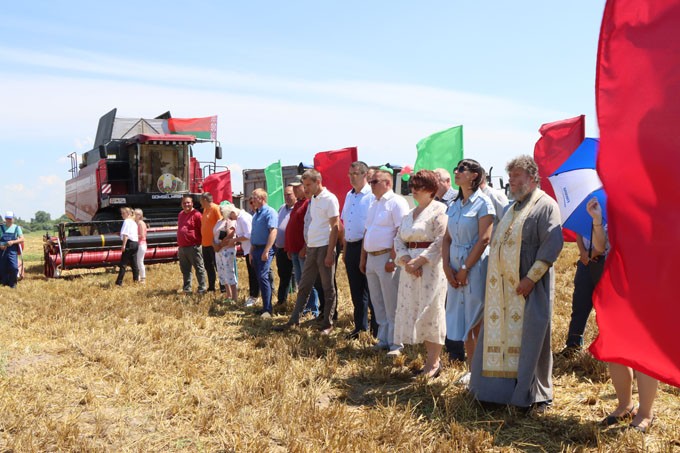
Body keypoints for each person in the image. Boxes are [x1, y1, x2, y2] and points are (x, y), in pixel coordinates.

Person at [469, 155, 563, 411]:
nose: (511, 181)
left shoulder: (546, 205)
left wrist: (531, 278)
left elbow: (553, 245)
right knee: (498, 341)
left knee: (531, 338)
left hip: (530, 287)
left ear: (532, 178)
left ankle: (531, 395)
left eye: (516, 176)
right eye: (510, 176)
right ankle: (494, 394)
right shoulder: (513, 207)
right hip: (502, 291)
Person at [588, 197, 657, 433]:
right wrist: (598, 220)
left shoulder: (653, 208)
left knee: (643, 352)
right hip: (615, 287)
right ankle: (624, 405)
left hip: (645, 289)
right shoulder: (613, 209)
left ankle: (646, 413)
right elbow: (599, 248)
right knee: (615, 350)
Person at [442, 160, 495, 385]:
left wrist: (465, 269)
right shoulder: (454, 204)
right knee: (463, 319)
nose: (457, 172)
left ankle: (480, 371)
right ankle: (472, 369)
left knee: (476, 318)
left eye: (462, 169)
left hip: (474, 267)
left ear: (474, 175)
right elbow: (446, 237)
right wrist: (446, 266)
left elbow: (484, 239)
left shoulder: (483, 203)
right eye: (456, 168)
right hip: (454, 267)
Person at [393, 170, 448, 377]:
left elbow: (441, 239)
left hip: (431, 268)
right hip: (409, 269)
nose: (413, 190)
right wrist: (406, 260)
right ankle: (429, 359)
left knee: (431, 310)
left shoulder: (439, 210)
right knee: (415, 310)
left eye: (419, 187)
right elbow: (398, 239)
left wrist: (420, 260)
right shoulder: (409, 214)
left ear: (431, 190)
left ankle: (434, 363)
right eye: (412, 187)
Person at [273, 169, 340, 334]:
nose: (306, 188)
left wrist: (330, 252)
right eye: (305, 185)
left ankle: (328, 323)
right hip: (312, 247)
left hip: (325, 247)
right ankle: (294, 320)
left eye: (308, 185)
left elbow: (335, 227)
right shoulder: (314, 200)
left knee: (327, 287)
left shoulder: (330, 199)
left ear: (318, 182)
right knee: (304, 285)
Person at [361, 168, 409, 355]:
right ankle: (383, 339)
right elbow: (368, 230)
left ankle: (397, 343)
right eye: (371, 181)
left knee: (392, 302)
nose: (371, 185)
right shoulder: (374, 203)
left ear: (387, 183)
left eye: (375, 182)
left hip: (386, 257)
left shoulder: (397, 202)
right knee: (378, 301)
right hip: (373, 257)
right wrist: (364, 257)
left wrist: (392, 257)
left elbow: (400, 232)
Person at [558, 217, 608, 357]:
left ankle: (607, 349)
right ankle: (573, 345)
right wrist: (583, 253)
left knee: (605, 309)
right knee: (580, 303)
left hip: (604, 262)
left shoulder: (609, 210)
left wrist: (590, 254)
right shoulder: (585, 211)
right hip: (585, 263)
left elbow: (604, 243)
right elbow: (579, 233)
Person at [433, 167, 466, 363]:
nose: (433, 183)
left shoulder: (455, 200)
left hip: (458, 259)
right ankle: (447, 344)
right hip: (441, 259)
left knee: (455, 306)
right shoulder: (435, 202)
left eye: (436, 179)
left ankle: (457, 349)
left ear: (446, 181)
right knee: (444, 305)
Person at [342, 161, 375, 339]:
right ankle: (360, 328)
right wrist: (345, 251)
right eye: (350, 173)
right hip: (352, 245)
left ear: (364, 175)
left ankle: (376, 329)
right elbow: (346, 223)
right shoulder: (349, 195)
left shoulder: (371, 196)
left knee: (371, 291)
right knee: (356, 290)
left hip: (367, 246)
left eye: (355, 173)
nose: (351, 177)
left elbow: (369, 226)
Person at [285, 177, 320, 317]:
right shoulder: (298, 204)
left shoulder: (308, 204)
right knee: (300, 281)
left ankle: (312, 308)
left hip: (303, 250)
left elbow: (309, 228)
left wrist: (305, 247)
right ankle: (306, 307)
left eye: (296, 187)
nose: (294, 190)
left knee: (307, 281)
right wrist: (289, 247)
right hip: (295, 250)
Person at [248, 189, 278, 317]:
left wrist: (266, 250)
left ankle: (267, 309)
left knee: (263, 277)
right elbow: (254, 233)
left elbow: (273, 232)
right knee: (260, 277)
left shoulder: (270, 212)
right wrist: (251, 250)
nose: (252, 199)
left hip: (265, 249)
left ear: (262, 198)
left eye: (254, 197)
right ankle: (265, 307)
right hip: (256, 249)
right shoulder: (256, 214)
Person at [222, 204, 254, 303]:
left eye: (230, 217)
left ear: (233, 212)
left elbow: (248, 235)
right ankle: (253, 295)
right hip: (248, 249)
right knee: (251, 274)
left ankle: (254, 296)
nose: (231, 219)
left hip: (251, 249)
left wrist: (235, 240)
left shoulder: (243, 218)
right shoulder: (240, 218)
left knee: (253, 274)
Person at [177, 195, 207, 294]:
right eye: (184, 203)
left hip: (193, 246)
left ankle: (202, 288)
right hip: (182, 247)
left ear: (192, 203)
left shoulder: (197, 215)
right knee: (185, 270)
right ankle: (187, 288)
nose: (186, 204)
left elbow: (202, 229)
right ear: (182, 204)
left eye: (188, 202)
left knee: (199, 268)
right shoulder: (181, 214)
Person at [275, 185, 296, 306]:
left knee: (296, 276)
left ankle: (297, 302)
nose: (287, 197)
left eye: (289, 194)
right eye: (285, 195)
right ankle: (282, 301)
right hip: (280, 248)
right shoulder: (282, 208)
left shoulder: (297, 208)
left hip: (292, 248)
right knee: (283, 275)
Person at [199, 192, 224, 292]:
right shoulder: (205, 209)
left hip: (214, 244)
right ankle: (211, 287)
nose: (200, 202)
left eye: (201, 200)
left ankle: (223, 287)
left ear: (204, 200)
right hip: (205, 243)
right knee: (208, 266)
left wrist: (219, 241)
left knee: (218, 266)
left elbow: (222, 224)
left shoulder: (215, 208)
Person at [214, 203, 238, 301]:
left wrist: (220, 245)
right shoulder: (219, 221)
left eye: (222, 209)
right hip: (218, 250)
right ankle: (228, 294)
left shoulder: (230, 222)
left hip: (227, 249)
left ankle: (234, 296)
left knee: (229, 271)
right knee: (221, 271)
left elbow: (230, 235)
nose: (220, 211)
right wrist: (214, 244)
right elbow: (214, 234)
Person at [115, 207, 139, 286]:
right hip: (135, 243)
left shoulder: (126, 221)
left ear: (128, 214)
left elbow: (126, 234)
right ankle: (136, 280)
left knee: (123, 263)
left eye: (123, 213)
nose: (122, 215)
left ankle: (119, 281)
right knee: (134, 263)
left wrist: (124, 245)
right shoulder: (133, 222)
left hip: (129, 243)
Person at [0, 211, 24, 288]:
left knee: (14, 267)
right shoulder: (1, 228)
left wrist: (13, 241)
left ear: (13, 219)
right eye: (7, 218)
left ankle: (13, 283)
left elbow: (22, 239)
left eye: (10, 218)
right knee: (2, 267)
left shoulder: (17, 228)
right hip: (2, 250)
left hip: (12, 250)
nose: (8, 220)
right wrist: (0, 245)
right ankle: (4, 282)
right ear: (5, 219)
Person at [134, 208, 148, 284]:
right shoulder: (136, 223)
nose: (135, 215)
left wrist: (133, 236)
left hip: (141, 244)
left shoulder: (140, 223)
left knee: (140, 261)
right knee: (137, 261)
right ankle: (138, 277)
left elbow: (142, 235)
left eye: (137, 214)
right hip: (138, 244)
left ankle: (143, 278)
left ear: (140, 215)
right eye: (135, 214)